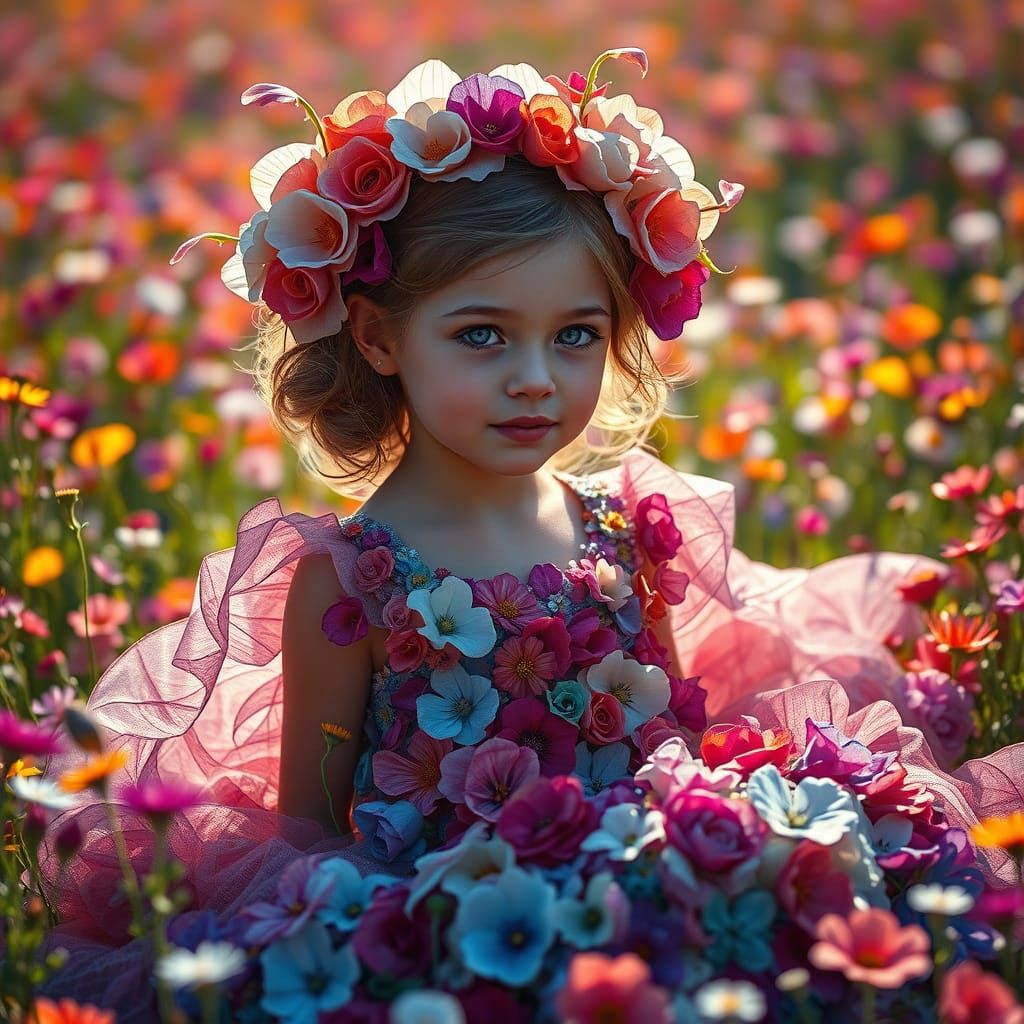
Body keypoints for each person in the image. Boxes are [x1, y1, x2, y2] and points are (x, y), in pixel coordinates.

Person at [34, 48, 1013, 1018]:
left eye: (575, 335)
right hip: (448, 943)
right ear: (377, 336)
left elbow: (673, 748)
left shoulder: (626, 530)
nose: (536, 378)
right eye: (482, 334)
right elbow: (312, 836)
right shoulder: (351, 577)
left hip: (644, 917)